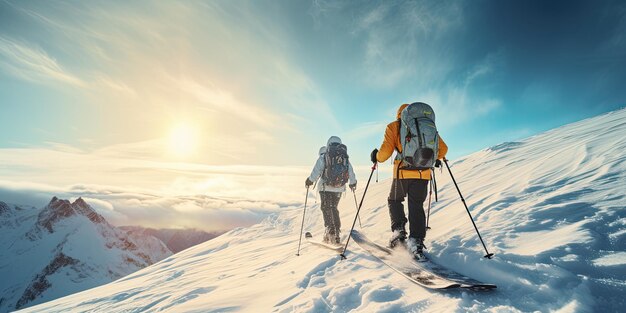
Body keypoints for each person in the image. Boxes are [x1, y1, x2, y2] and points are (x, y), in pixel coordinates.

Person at [370, 103, 448, 259]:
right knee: (416, 205)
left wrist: (376, 156)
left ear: (400, 114)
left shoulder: (394, 126)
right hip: (423, 174)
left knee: (394, 200)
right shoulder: (427, 125)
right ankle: (416, 241)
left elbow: (385, 153)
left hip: (402, 173)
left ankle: (399, 233)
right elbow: (443, 149)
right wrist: (433, 158)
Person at [306, 136, 357, 244]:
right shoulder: (344, 157)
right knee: (334, 208)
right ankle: (337, 232)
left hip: (325, 187)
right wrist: (352, 183)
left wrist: (310, 181)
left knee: (326, 208)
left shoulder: (324, 156)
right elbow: (350, 171)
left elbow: (316, 171)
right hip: (339, 188)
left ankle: (330, 231)